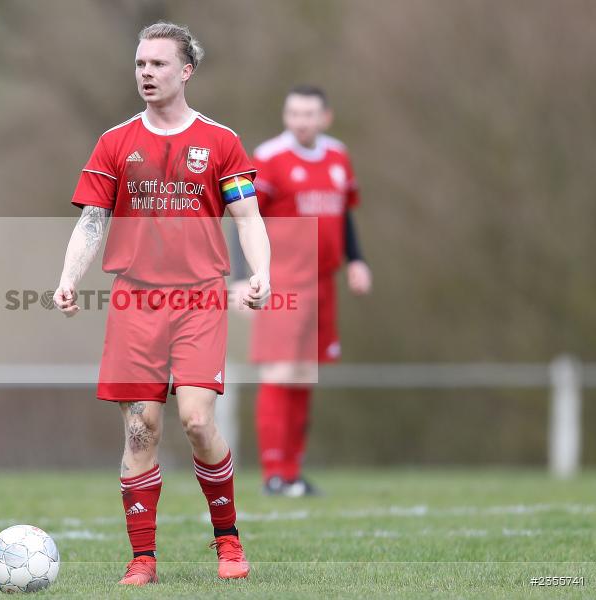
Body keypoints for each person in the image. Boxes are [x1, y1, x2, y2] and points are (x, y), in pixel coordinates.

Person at [53, 22, 271, 585]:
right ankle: (143, 558)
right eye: (140, 64)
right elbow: (92, 221)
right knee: (141, 431)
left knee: (197, 421)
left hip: (199, 298)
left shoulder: (220, 141)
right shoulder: (115, 141)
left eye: (158, 64)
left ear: (186, 70)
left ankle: (228, 542)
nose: (146, 73)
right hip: (134, 302)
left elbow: (248, 217)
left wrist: (262, 273)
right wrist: (68, 278)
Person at [242, 84, 372, 497]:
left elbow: (344, 215)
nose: (300, 121)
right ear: (286, 116)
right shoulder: (269, 158)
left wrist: (356, 260)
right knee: (279, 373)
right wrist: (246, 275)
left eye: (308, 114)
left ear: (325, 117)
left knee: (303, 378)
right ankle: (273, 474)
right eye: (293, 113)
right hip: (282, 280)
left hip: (322, 282)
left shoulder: (338, 155)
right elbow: (245, 218)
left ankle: (292, 472)